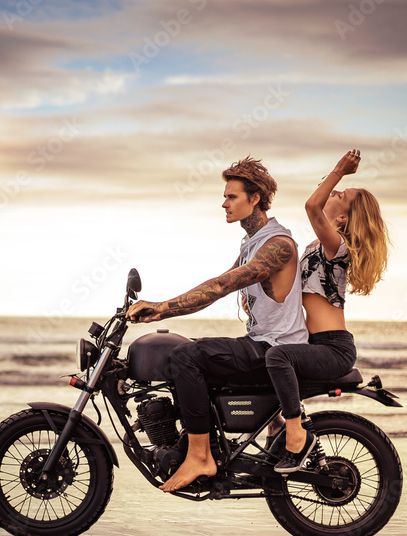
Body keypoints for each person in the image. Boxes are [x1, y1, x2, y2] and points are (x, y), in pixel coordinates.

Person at [127, 157, 308, 492]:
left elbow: (220, 285)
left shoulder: (278, 245)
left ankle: (200, 456)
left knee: (185, 356)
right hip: (263, 343)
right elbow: (219, 288)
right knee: (188, 348)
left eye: (231, 196)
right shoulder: (252, 244)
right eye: (225, 196)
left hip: (277, 349)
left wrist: (162, 308)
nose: (223, 203)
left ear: (255, 198)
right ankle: (207, 442)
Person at [265, 149, 390, 473]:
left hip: (332, 347)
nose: (333, 191)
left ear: (343, 218)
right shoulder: (316, 247)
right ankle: (277, 427)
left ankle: (297, 436)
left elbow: (311, 205)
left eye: (341, 195)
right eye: (334, 190)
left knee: (279, 358)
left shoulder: (337, 247)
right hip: (315, 344)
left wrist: (340, 171)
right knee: (264, 354)